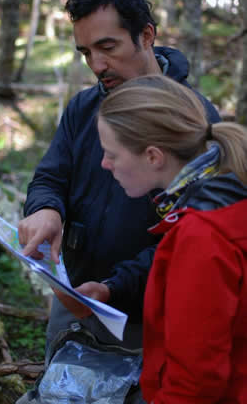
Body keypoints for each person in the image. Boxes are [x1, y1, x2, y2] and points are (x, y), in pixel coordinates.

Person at [17, 0, 220, 403]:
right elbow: (50, 176)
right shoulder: (83, 108)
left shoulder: (191, 121)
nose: (96, 64)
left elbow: (189, 240)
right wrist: (46, 209)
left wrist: (114, 289)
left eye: (108, 47)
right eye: (87, 52)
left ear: (146, 35)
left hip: (150, 321)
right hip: (74, 303)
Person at [97, 74, 247, 404]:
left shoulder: (203, 235)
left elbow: (195, 383)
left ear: (153, 156)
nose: (104, 164)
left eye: (112, 154)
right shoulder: (225, 195)